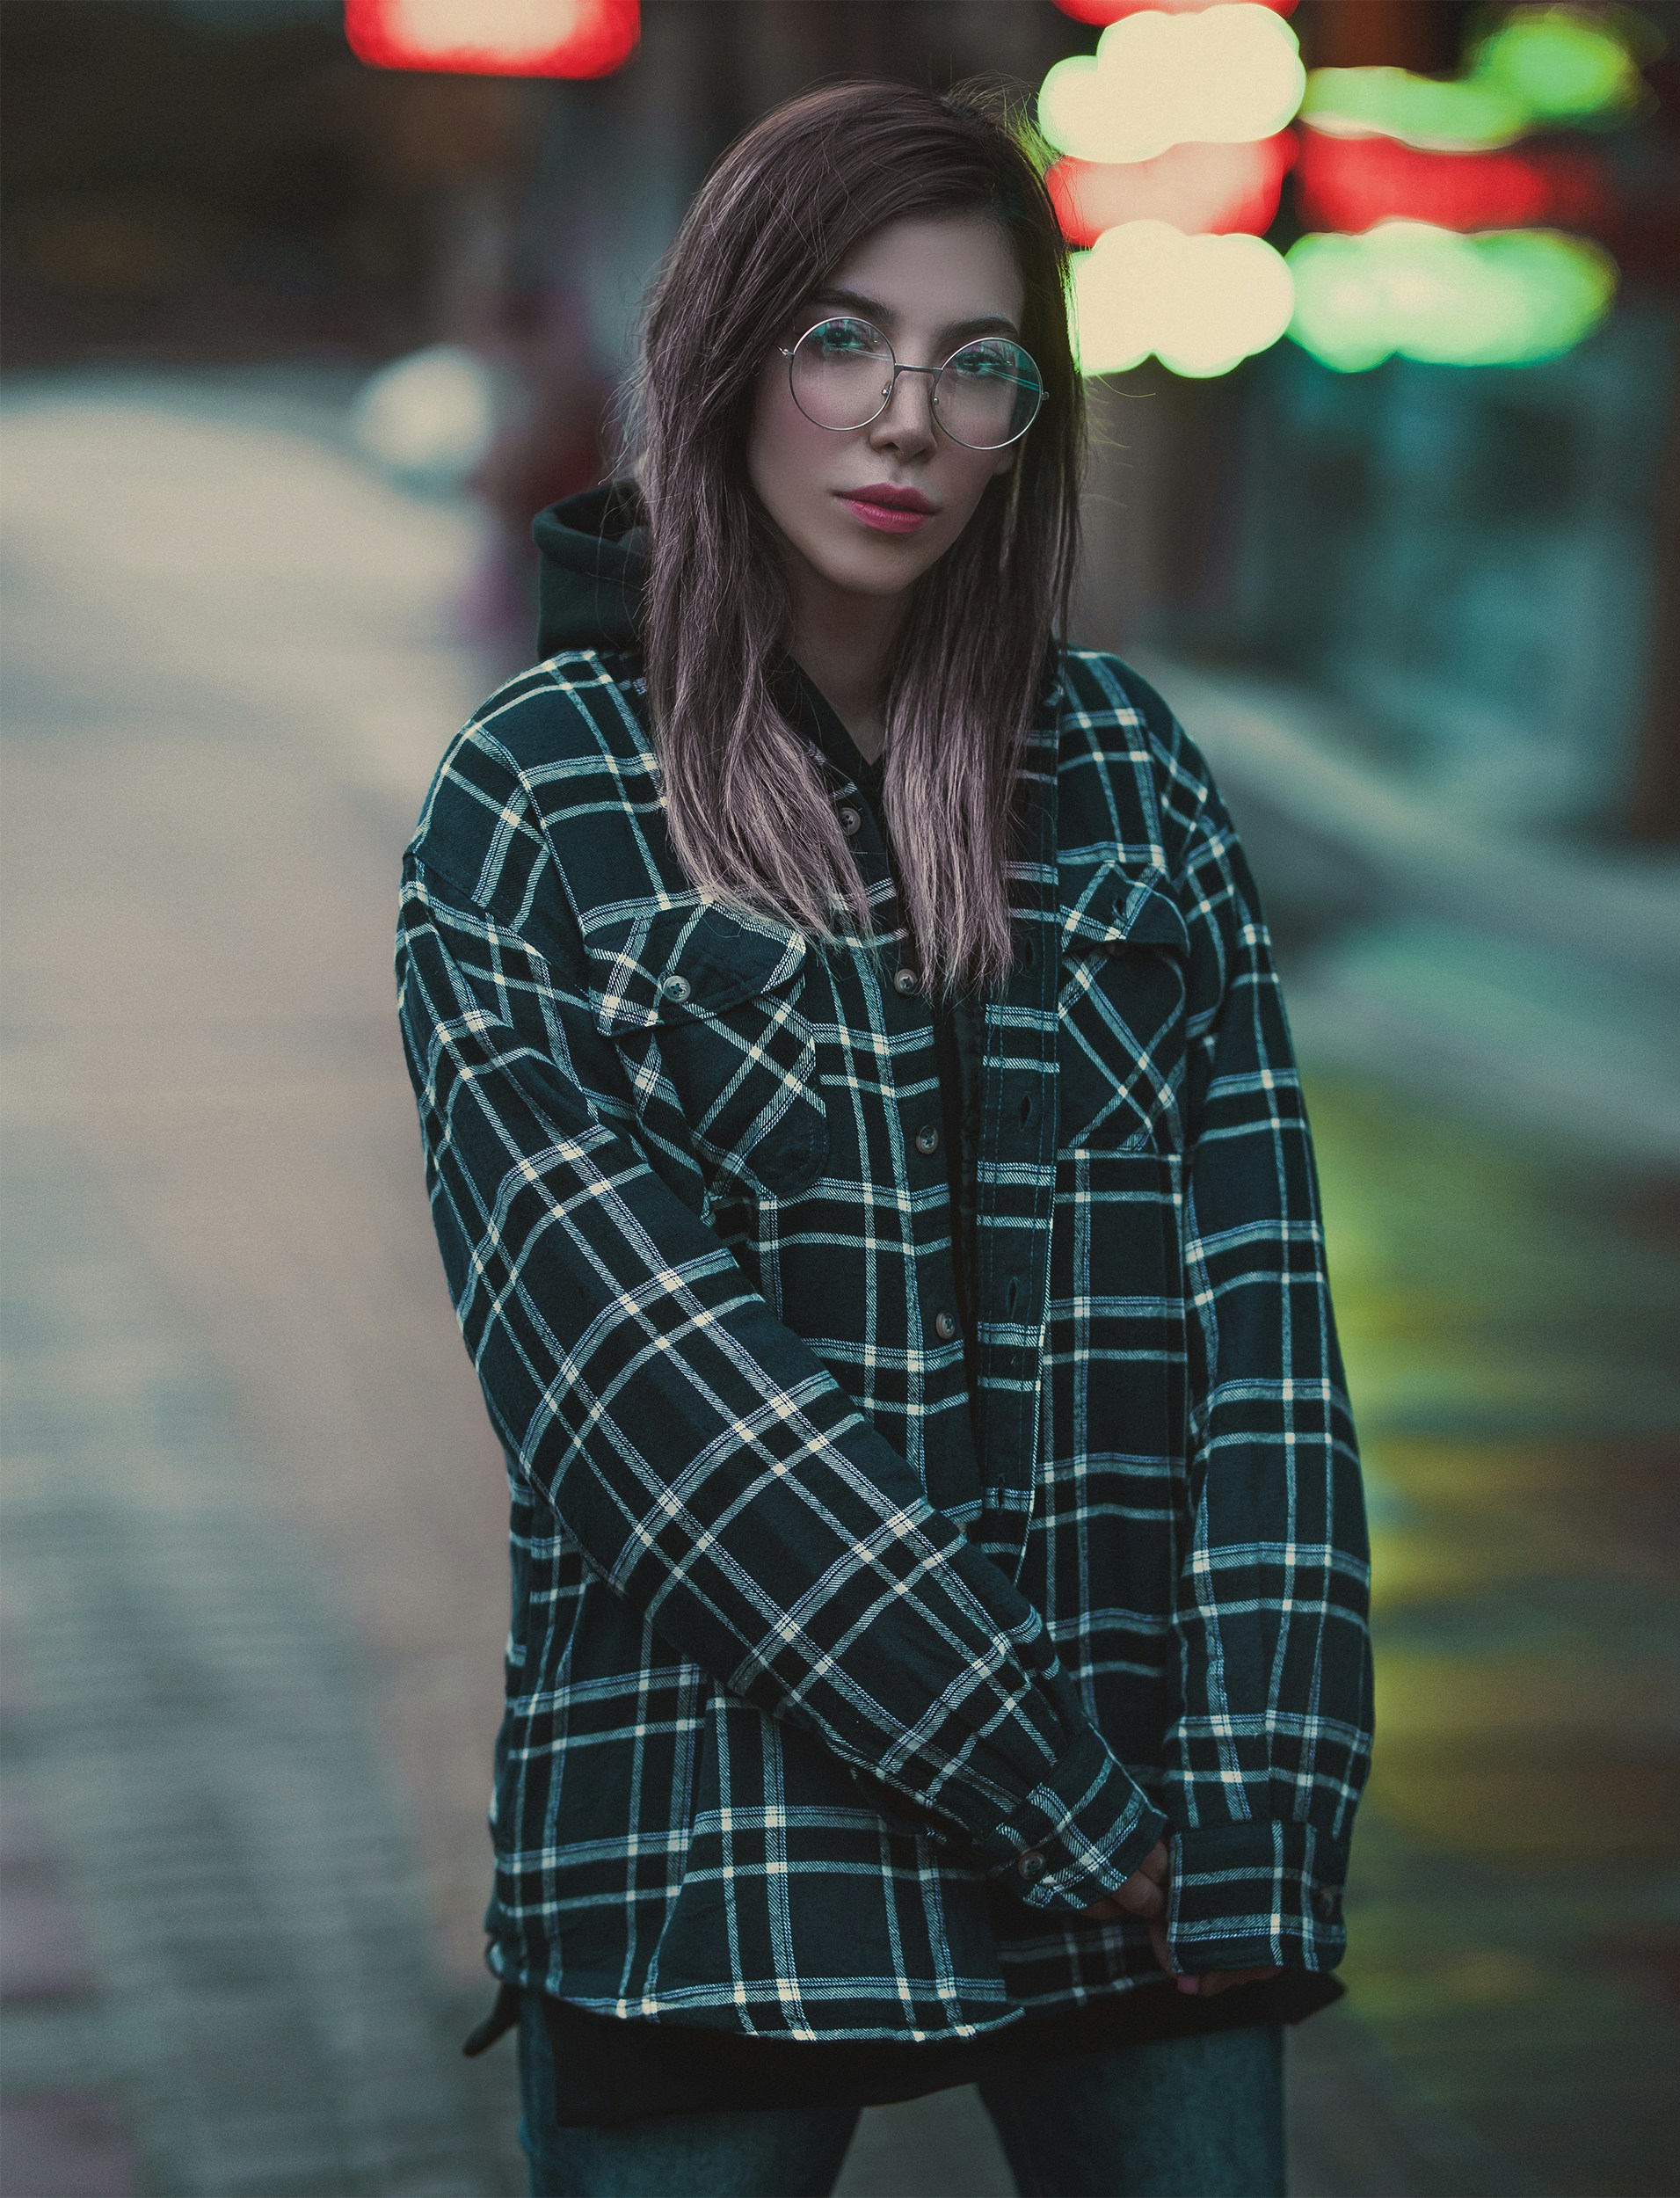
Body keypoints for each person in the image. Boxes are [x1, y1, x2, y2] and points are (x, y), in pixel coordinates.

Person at [396, 76, 1373, 2198]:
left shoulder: (1124, 775)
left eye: (978, 361)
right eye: (841, 337)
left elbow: (1269, 1340)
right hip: (716, 1840)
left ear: (1033, 417)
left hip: (1152, 1834)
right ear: (726, 353)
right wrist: (1067, 1806)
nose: (903, 415)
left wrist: (1253, 1804)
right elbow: (652, 1409)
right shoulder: (545, 800)